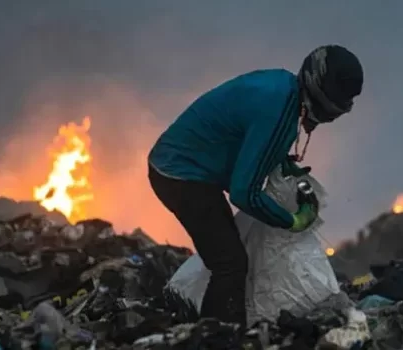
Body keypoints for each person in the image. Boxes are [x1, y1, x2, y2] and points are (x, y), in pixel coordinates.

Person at [147, 44, 363, 325]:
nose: (322, 122)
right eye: (326, 113)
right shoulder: (279, 110)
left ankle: (210, 327)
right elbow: (243, 193)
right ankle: (216, 338)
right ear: (317, 97)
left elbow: (248, 147)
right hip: (180, 174)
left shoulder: (283, 89)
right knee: (230, 264)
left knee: (229, 257)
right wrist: (292, 220)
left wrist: (276, 164)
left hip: (184, 167)